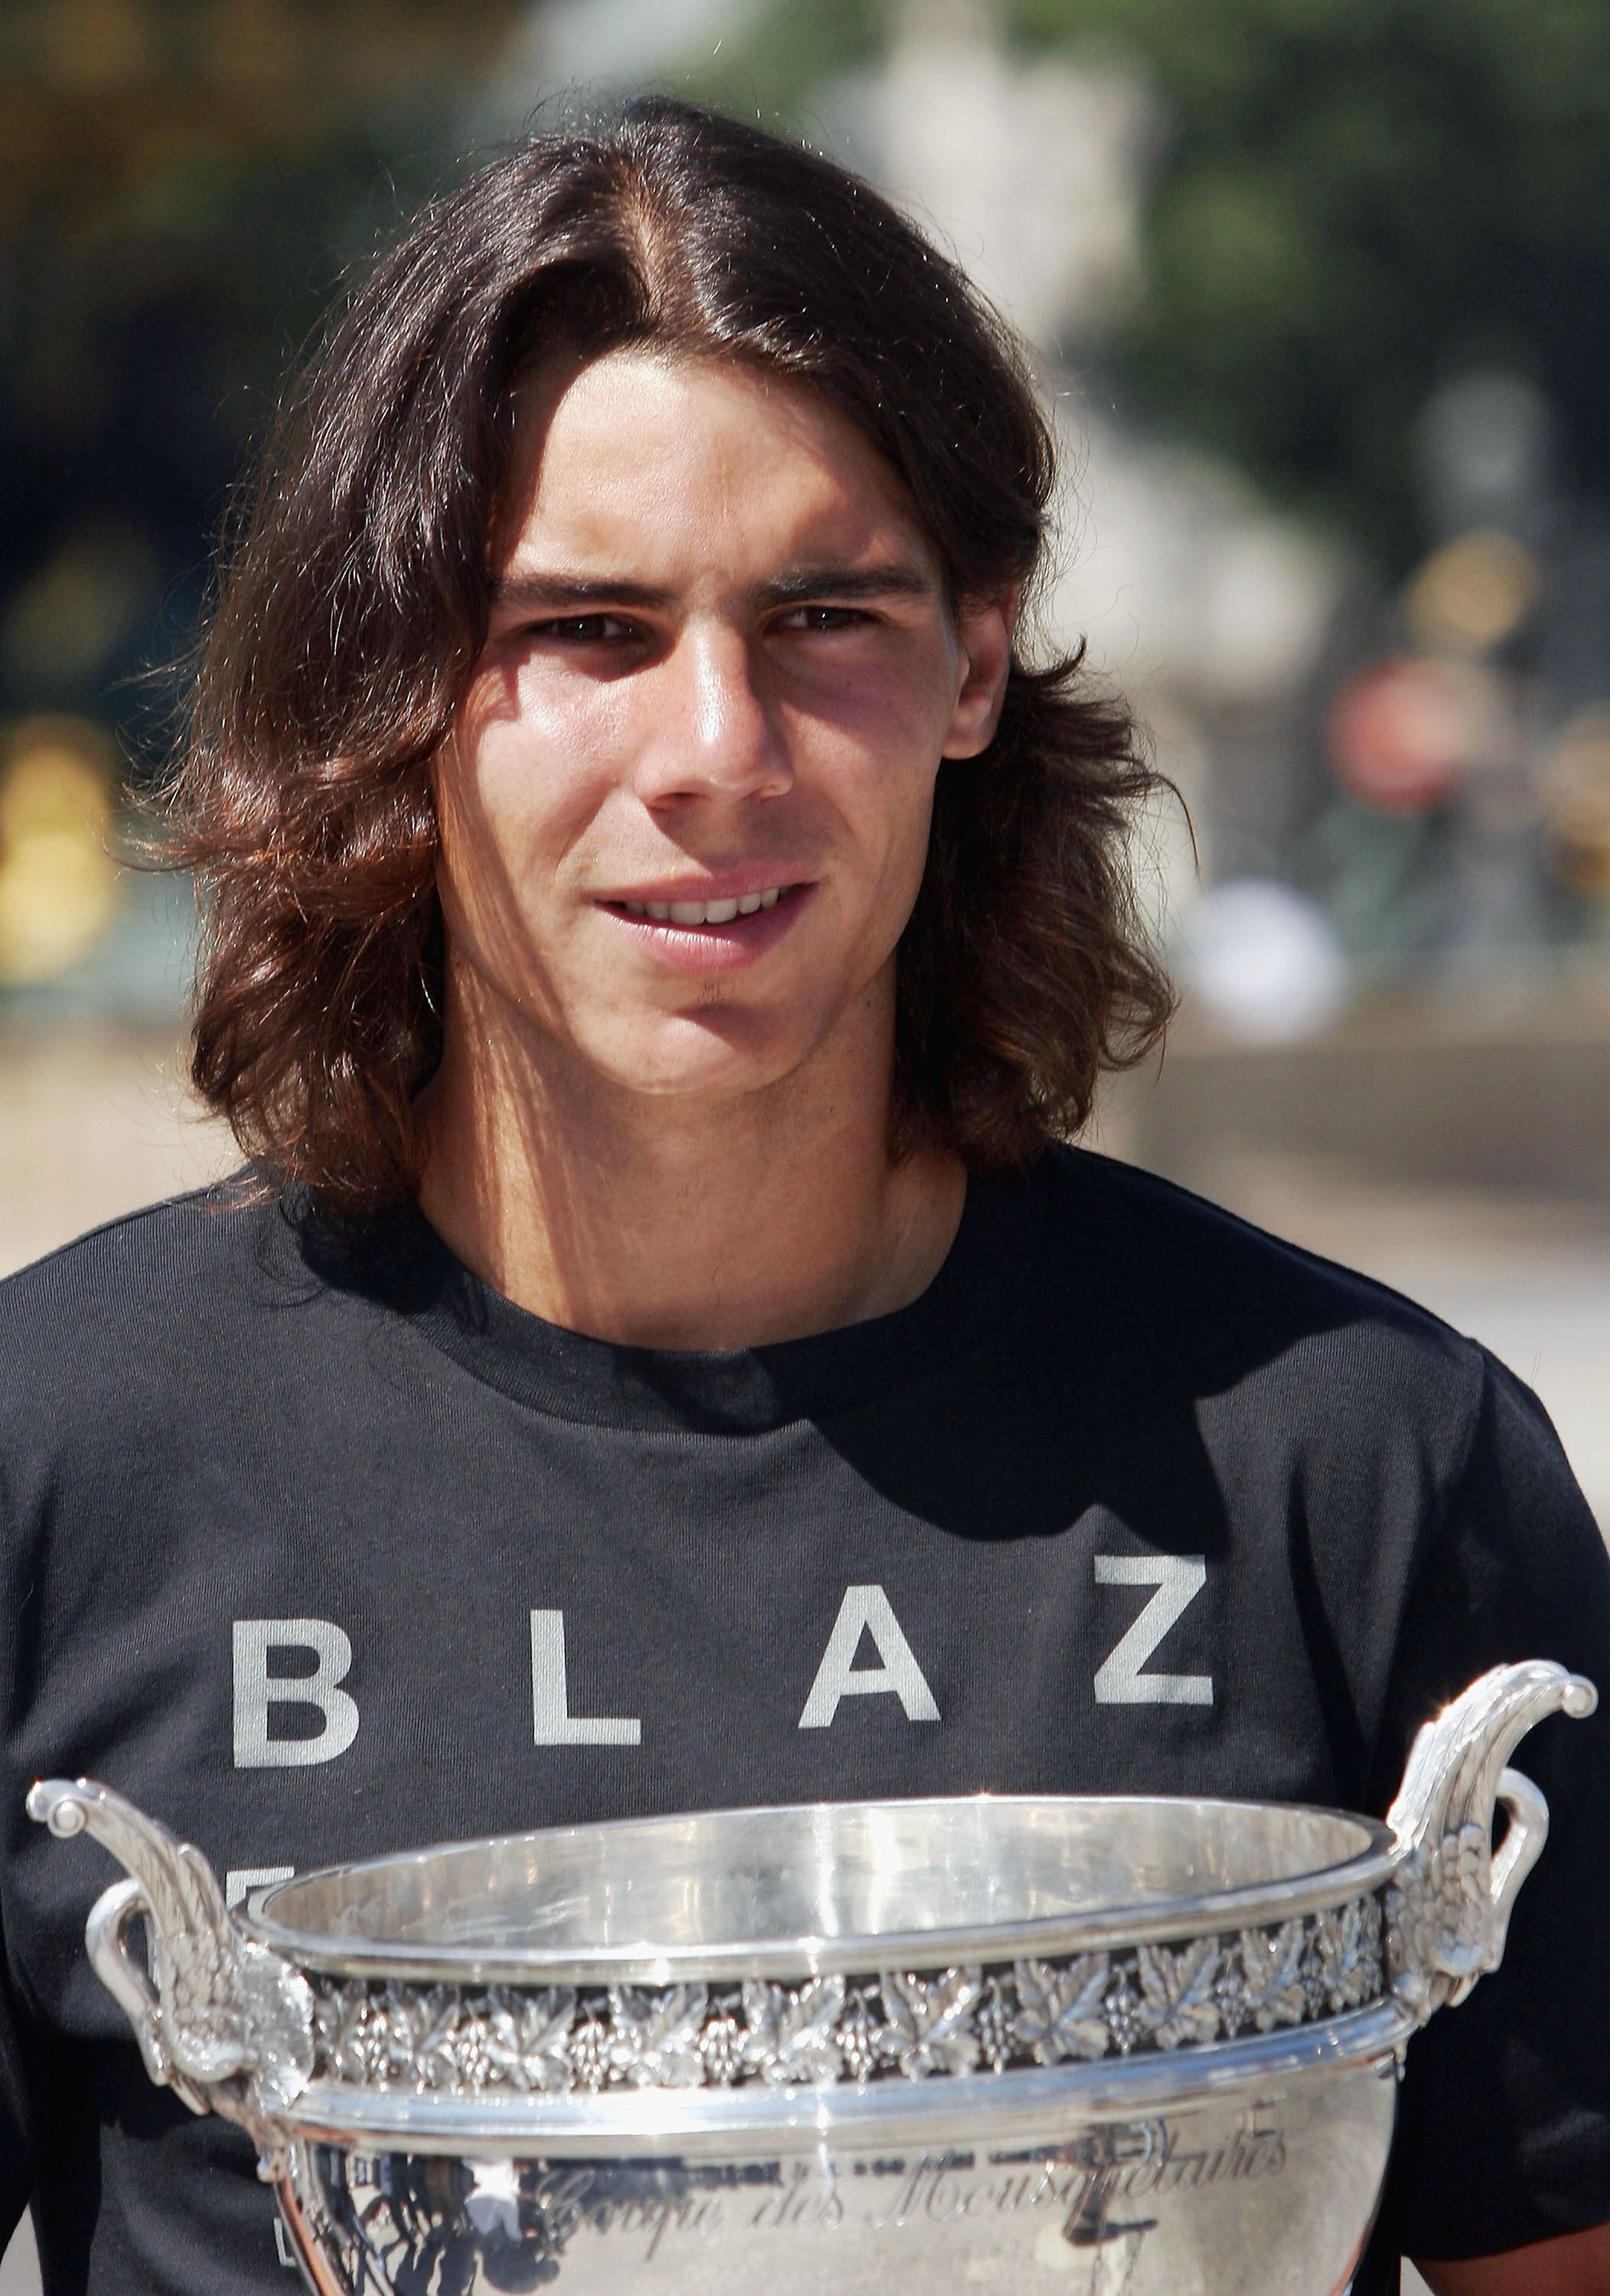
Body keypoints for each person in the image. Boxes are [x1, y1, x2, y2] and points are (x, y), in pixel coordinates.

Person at [2, 98, 1607, 2296]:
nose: (718, 751)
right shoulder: (65, 1466)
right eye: (583, 629)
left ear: (974, 660)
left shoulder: (1357, 1464)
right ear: (394, 684)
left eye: (821, 614)